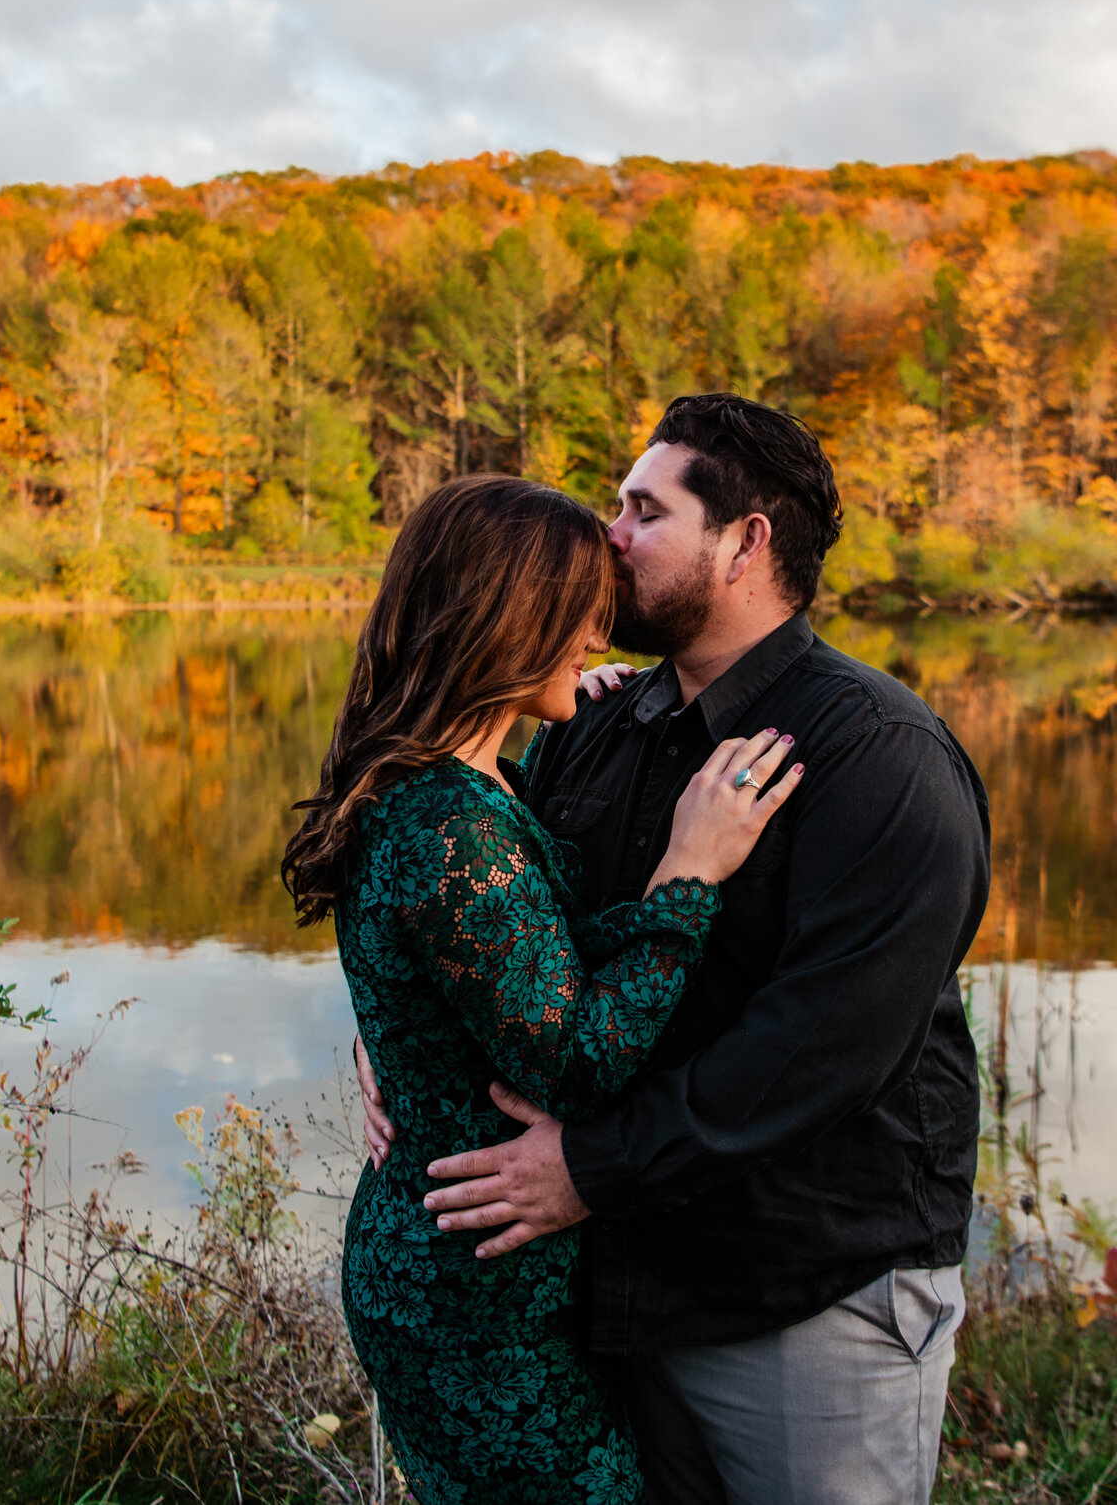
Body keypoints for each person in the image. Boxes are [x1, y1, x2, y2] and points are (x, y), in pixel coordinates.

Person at [362, 395, 994, 1505]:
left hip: (804, 1298)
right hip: (613, 1289)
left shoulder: (878, 758)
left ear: (745, 542)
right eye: (615, 502)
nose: (608, 533)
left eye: (643, 510)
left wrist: (588, 1172)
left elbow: (824, 1049)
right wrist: (408, 1055)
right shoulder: (592, 723)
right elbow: (494, 946)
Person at [284, 473, 804, 1505]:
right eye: (580, 611)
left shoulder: (464, 785)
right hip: (470, 1305)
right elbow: (577, 1057)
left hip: (460, 1274)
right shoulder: (448, 825)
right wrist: (688, 875)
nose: (602, 633)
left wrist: (569, 716)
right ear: (507, 619)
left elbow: (518, 972)